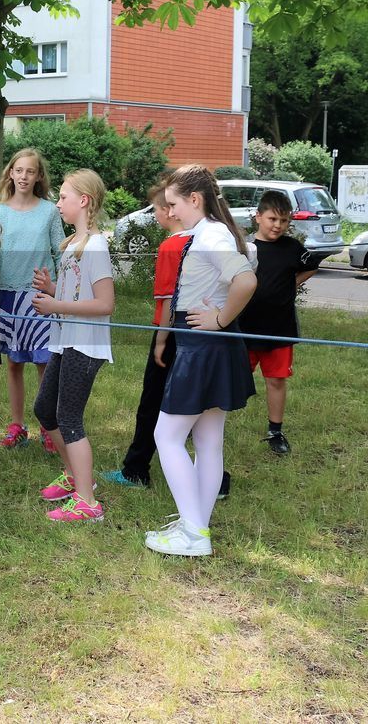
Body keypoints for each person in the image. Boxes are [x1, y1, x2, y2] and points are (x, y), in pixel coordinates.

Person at [145, 165, 257, 558]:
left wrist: (220, 318)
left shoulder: (212, 235)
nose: (170, 211)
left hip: (204, 347)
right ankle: (197, 524)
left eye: (174, 204)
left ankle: (194, 532)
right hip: (210, 345)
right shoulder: (210, 233)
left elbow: (246, 280)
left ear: (196, 200)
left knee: (167, 436)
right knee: (208, 441)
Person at [28, 170, 114, 522]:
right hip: (66, 343)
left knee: (69, 418)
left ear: (84, 201)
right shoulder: (72, 246)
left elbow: (105, 304)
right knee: (46, 410)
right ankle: (75, 476)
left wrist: (56, 305)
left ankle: (88, 502)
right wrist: (52, 290)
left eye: (63, 197)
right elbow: (78, 294)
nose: (58, 202)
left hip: (85, 346)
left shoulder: (95, 246)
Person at [104, 182, 188, 489]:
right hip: (197, 333)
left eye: (155, 209)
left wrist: (161, 341)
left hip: (171, 332)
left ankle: (135, 470)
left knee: (151, 402)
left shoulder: (171, 246)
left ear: (170, 210)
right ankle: (213, 476)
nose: (154, 215)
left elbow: (167, 299)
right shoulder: (203, 237)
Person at [0, 149, 64, 451]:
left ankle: (48, 424)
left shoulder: (49, 211)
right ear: (10, 173)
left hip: (41, 297)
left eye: (29, 171)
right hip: (8, 295)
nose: (23, 176)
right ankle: (17, 425)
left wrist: (58, 289)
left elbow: (60, 252)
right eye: (18, 170)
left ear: (38, 176)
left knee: (44, 362)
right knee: (14, 363)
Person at [237, 190, 321, 456]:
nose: (278, 225)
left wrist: (291, 284)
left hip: (279, 329)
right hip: (244, 327)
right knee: (232, 378)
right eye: (272, 219)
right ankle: (203, 424)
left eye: (284, 221)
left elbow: (311, 266)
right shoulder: (244, 247)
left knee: (276, 381)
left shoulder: (293, 248)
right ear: (258, 217)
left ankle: (275, 431)